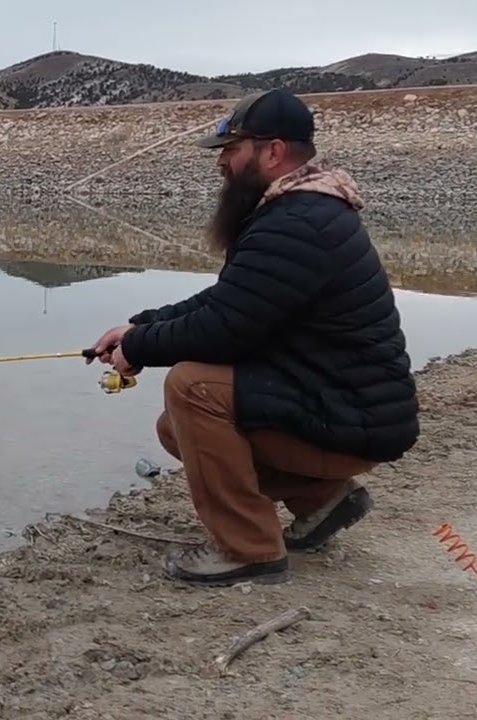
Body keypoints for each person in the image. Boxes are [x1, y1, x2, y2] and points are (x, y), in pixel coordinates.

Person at [89, 88, 420, 587]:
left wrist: (140, 350)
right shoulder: (296, 213)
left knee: (192, 387)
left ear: (273, 151)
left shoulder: (299, 223)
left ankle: (248, 549)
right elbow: (230, 300)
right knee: (174, 427)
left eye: (231, 149)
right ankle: (323, 500)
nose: (222, 162)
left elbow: (225, 329)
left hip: (354, 416)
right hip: (341, 403)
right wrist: (141, 327)